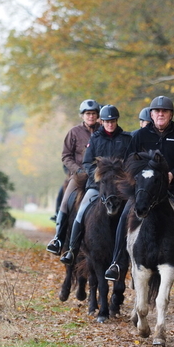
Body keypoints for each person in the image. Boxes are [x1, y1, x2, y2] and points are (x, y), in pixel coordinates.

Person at [104, 96, 174, 285]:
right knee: (124, 216)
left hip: (173, 188)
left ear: (171, 114)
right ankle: (116, 263)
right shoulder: (140, 136)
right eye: (157, 111)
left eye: (164, 111)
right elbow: (128, 161)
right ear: (151, 114)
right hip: (144, 190)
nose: (160, 114)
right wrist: (141, 176)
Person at [59, 105, 132, 267]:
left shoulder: (126, 139)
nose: (110, 124)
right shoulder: (96, 139)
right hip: (97, 185)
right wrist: (99, 176)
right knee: (81, 211)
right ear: (102, 122)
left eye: (113, 121)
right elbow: (87, 162)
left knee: (133, 212)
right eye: (107, 121)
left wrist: (122, 177)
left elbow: (130, 162)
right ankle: (72, 248)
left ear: (116, 121)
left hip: (119, 186)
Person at [46, 99, 101, 255]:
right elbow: (66, 156)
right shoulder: (74, 132)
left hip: (99, 177)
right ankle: (58, 239)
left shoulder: (102, 131)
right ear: (82, 115)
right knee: (65, 203)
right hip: (80, 176)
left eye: (93, 114)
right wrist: (77, 170)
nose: (91, 116)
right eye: (88, 114)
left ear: (98, 115)